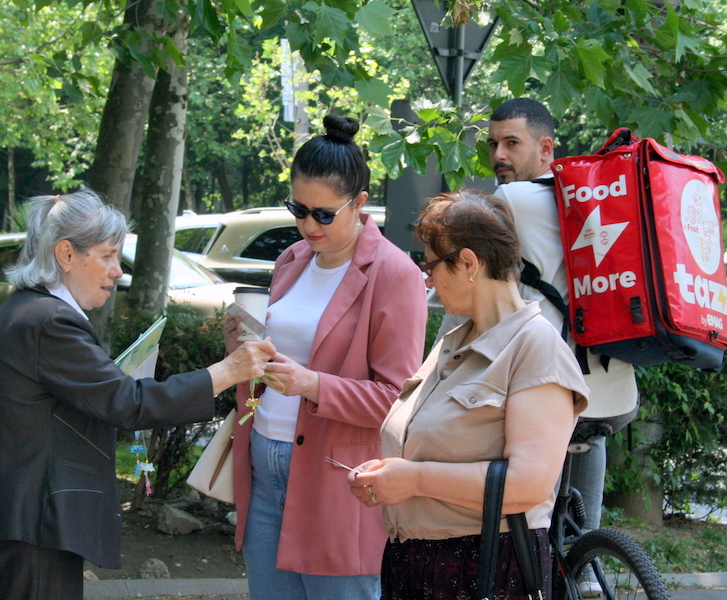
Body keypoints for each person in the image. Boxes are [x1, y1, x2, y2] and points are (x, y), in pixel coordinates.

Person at [0, 190, 276, 600]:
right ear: (66, 254)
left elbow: (97, 399)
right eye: (107, 255)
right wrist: (227, 372)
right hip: (32, 524)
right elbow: (128, 403)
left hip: (21, 519)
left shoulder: (30, 310)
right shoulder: (49, 322)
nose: (117, 271)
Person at [436, 98, 640, 597]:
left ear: (546, 148)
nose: (498, 155)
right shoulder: (600, 200)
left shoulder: (512, 202)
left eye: (512, 143)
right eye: (493, 144)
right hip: (610, 391)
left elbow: (469, 285)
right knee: (582, 514)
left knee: (522, 528)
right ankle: (586, 571)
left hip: (538, 386)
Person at [348, 188, 590, 600]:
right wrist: (389, 475)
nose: (427, 279)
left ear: (468, 263)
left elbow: (529, 484)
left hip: (486, 567)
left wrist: (413, 480)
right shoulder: (454, 341)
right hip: (415, 564)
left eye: (431, 266)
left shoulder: (536, 346)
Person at [223, 114, 428, 600]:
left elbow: (398, 402)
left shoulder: (393, 274)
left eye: (323, 213)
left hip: (338, 476)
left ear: (359, 203)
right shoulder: (291, 260)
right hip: (263, 457)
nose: (306, 224)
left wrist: (312, 385)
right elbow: (278, 359)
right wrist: (242, 347)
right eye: (298, 208)